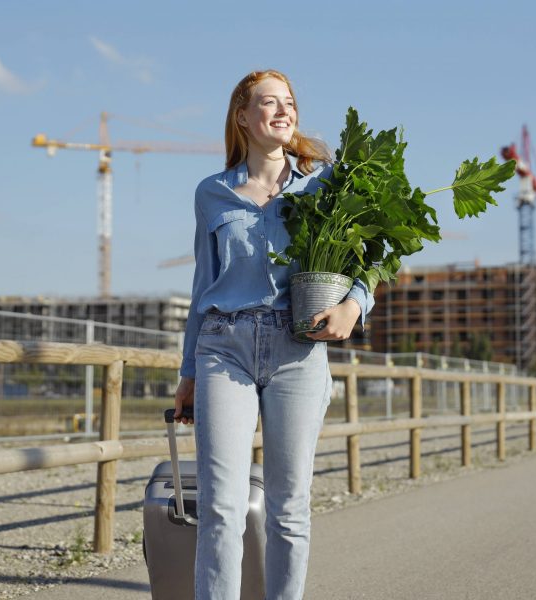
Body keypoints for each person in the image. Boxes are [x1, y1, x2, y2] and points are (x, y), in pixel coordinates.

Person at [173, 69, 374, 600]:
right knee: (221, 505)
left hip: (297, 349)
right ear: (243, 116)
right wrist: (188, 372)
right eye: (269, 102)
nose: (284, 111)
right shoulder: (211, 193)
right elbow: (201, 284)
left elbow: (375, 257)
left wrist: (356, 304)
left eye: (289, 102)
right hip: (224, 346)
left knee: (290, 507)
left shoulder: (325, 185)